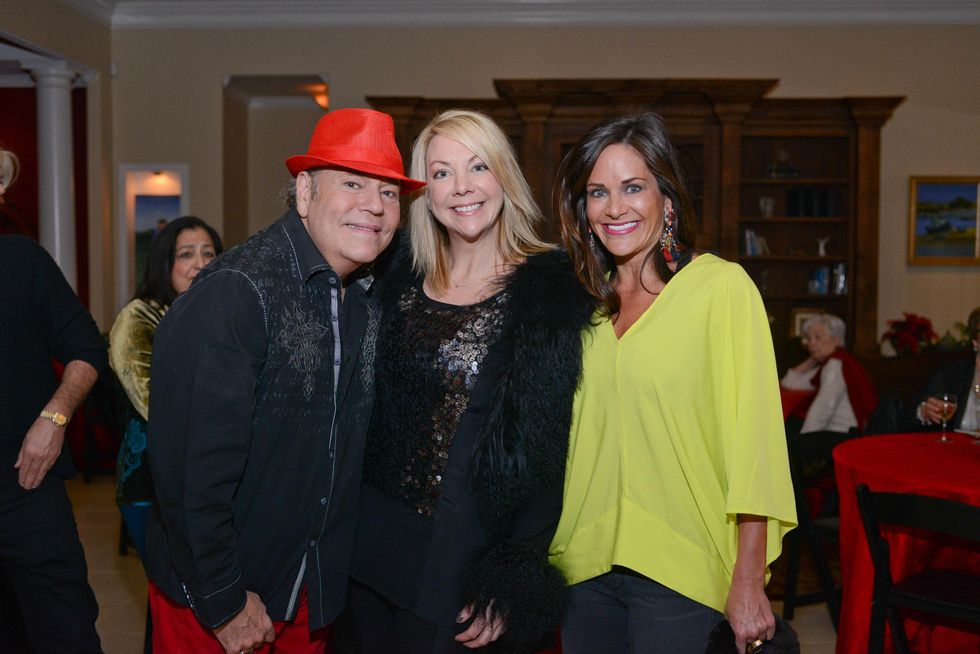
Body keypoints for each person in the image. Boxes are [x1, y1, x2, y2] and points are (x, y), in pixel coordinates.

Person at [144, 109, 424, 654]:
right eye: (352, 184)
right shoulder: (236, 291)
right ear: (305, 192)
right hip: (220, 601)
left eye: (389, 193)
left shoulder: (363, 295)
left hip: (306, 591)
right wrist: (224, 599)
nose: (374, 205)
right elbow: (189, 470)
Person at [343, 109, 592, 653]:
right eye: (441, 173)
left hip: (463, 563)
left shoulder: (551, 292)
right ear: (424, 192)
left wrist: (513, 573)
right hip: (371, 550)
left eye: (478, 166)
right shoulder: (391, 276)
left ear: (504, 176)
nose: (461, 187)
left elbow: (549, 450)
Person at [549, 114, 797, 654]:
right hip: (582, 565)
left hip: (682, 566)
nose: (615, 207)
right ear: (583, 210)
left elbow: (755, 444)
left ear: (667, 200)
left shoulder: (720, 289)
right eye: (597, 192)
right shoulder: (580, 305)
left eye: (633, 187)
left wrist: (749, 578)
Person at [1, 146, 105, 654]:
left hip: (26, 481)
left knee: (65, 631)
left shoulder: (23, 260)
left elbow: (87, 349)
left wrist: (54, 417)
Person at [109, 215, 222, 562]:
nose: (200, 264)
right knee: (169, 583)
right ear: (164, 263)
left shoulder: (222, 316)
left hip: (212, 480)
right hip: (152, 483)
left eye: (209, 253)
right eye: (186, 254)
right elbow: (156, 404)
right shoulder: (140, 317)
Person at [780, 314, 878, 436]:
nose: (811, 344)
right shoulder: (832, 363)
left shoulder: (835, 365)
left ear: (836, 340)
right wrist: (813, 359)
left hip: (842, 434)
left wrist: (805, 437)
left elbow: (823, 408)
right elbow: (788, 383)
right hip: (836, 432)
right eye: (809, 339)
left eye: (817, 337)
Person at [915, 306, 980, 432]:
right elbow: (916, 412)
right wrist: (924, 411)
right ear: (975, 342)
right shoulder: (953, 372)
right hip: (956, 443)